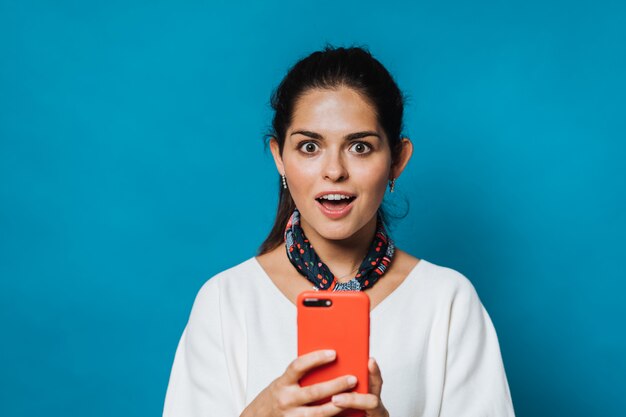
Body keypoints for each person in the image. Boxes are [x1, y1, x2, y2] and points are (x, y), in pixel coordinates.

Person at [162, 46, 515, 417]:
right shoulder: (225, 300)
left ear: (397, 160)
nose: (334, 170)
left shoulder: (448, 301)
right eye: (309, 146)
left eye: (360, 147)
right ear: (279, 156)